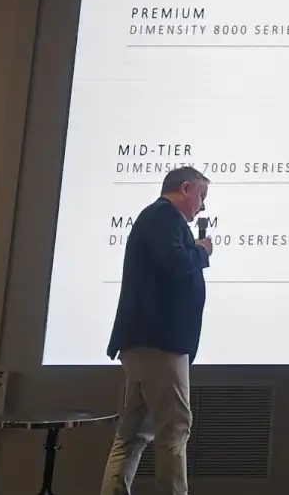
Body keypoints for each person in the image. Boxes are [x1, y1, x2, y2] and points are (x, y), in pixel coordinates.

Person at [99, 166, 215, 495]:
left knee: (133, 434)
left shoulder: (158, 219)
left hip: (146, 344)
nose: (202, 207)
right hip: (160, 344)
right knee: (174, 429)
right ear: (186, 188)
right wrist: (202, 250)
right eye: (201, 196)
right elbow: (176, 263)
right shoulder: (163, 216)